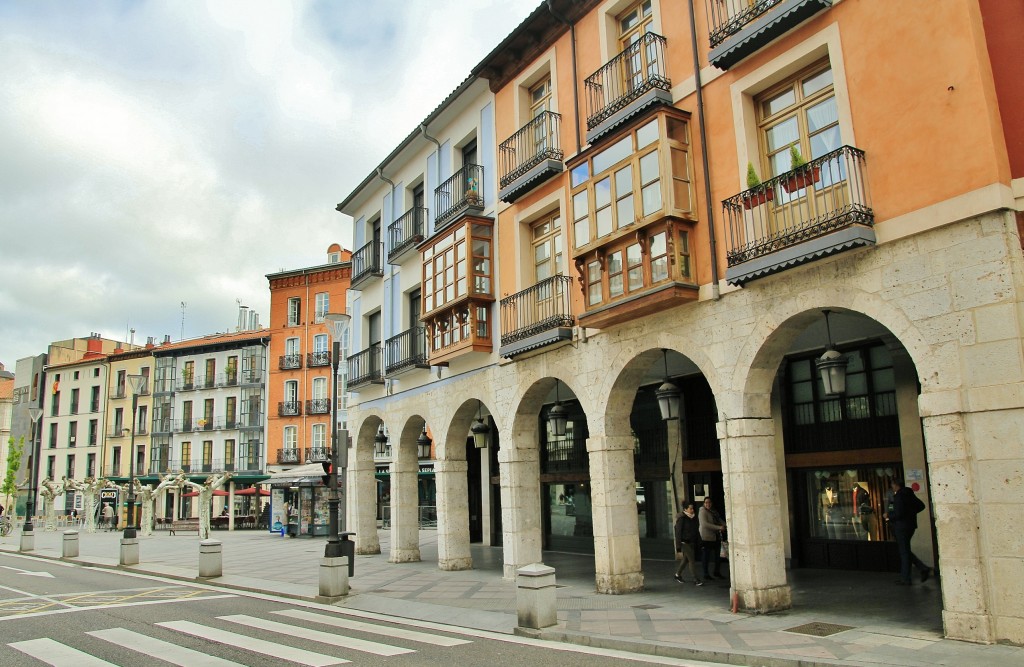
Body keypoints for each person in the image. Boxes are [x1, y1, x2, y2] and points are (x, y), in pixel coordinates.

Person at [884, 478, 932, 585]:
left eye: (892, 484)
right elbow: (921, 506)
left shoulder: (899, 496)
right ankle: (922, 568)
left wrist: (888, 515)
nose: (892, 486)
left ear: (895, 485)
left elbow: (898, 513)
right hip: (911, 525)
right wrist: (910, 513)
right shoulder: (909, 494)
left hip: (901, 526)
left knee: (904, 552)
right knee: (905, 550)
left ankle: (906, 577)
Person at [673, 501, 703, 586]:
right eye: (690, 508)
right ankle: (696, 579)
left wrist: (699, 541)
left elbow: (696, 531)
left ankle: (677, 575)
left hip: (691, 542)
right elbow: (678, 532)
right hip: (684, 542)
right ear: (685, 509)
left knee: (686, 560)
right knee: (691, 560)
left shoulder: (693, 518)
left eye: (693, 508)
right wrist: (678, 545)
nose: (692, 510)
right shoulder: (682, 518)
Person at [698, 497, 727, 580]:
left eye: (709, 502)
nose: (708, 504)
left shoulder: (713, 511)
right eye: (706, 502)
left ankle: (717, 571)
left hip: (715, 536)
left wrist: (725, 525)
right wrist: (718, 527)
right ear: (704, 503)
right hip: (706, 537)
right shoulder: (702, 511)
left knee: (719, 555)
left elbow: (719, 519)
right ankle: (706, 574)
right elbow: (704, 524)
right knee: (706, 556)